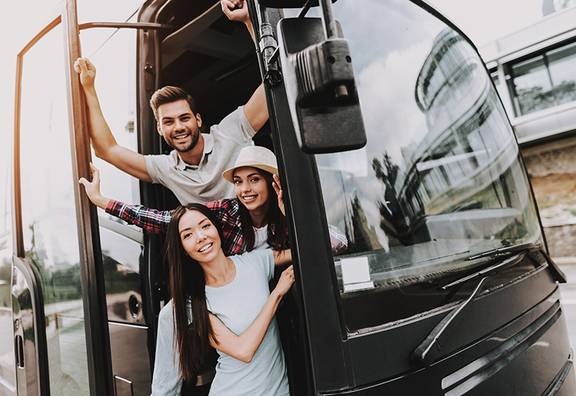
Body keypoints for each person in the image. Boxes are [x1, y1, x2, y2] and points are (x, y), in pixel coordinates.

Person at [73, 0, 267, 204]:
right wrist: (89, 87)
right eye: (168, 122)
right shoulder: (166, 168)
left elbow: (272, 84)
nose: (178, 127)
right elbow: (107, 149)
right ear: (159, 128)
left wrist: (248, 20)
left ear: (198, 120)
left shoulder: (231, 132)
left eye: (184, 118)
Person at [79, 145, 348, 255]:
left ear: (272, 182)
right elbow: (163, 220)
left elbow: (337, 245)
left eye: (254, 180)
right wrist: (103, 201)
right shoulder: (226, 212)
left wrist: (292, 216)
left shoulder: (289, 215)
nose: (245, 189)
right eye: (239, 181)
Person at [155, 203, 293, 395]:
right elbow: (243, 351)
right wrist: (276, 294)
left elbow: (323, 246)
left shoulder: (255, 262)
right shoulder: (192, 303)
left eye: (205, 226)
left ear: (217, 229)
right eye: (188, 235)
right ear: (183, 249)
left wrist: (288, 212)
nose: (201, 237)